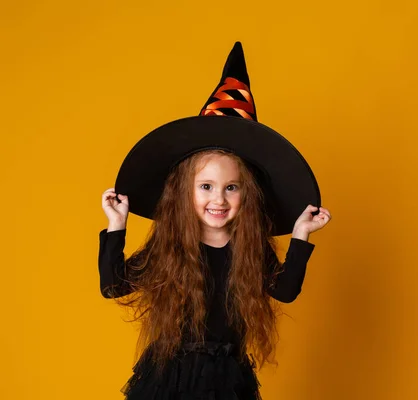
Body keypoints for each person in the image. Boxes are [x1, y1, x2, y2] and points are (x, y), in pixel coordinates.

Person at [97, 42, 332, 400]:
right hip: (169, 380)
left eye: (231, 187)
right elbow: (113, 286)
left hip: (227, 381)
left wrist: (301, 235)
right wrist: (117, 225)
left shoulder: (249, 249)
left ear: (247, 196)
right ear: (183, 191)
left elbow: (285, 291)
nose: (218, 199)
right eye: (206, 186)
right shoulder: (169, 246)